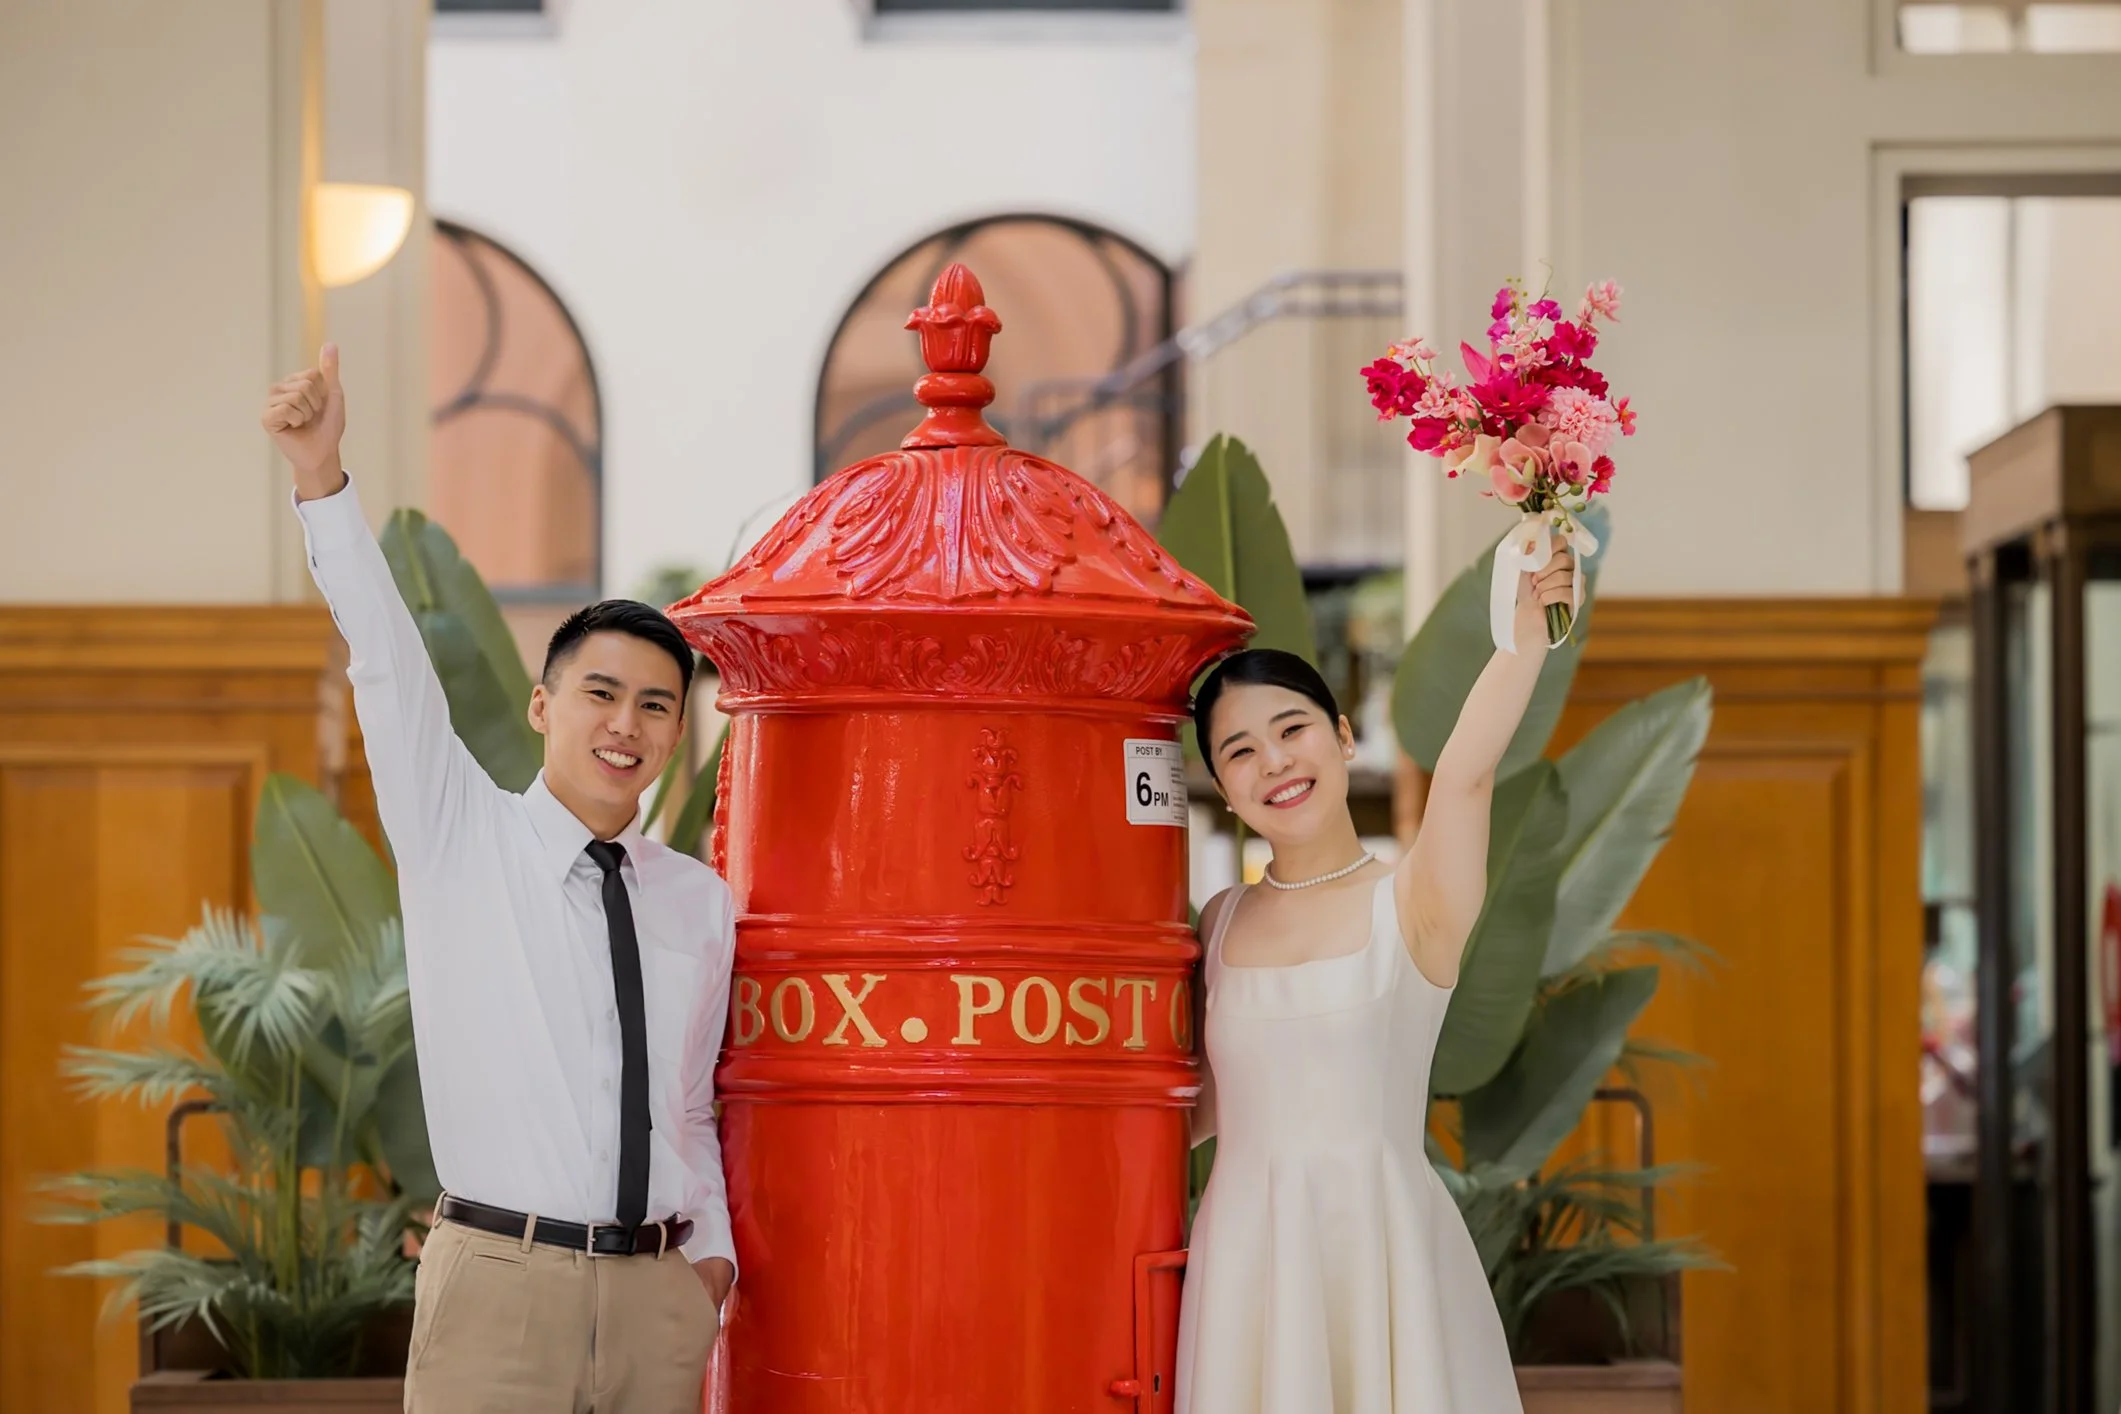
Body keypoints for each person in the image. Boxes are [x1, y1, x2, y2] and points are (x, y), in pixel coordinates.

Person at [262, 346, 736, 1413]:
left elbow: (692, 1107)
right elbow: (387, 661)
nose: (625, 724)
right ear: (542, 705)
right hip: (503, 1288)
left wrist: (710, 1255)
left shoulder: (695, 900)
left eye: (656, 705)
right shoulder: (458, 836)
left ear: (674, 731)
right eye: (600, 693)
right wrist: (321, 478)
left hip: (661, 1296)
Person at [1175, 551, 1577, 1414]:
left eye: (1293, 730)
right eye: (1239, 751)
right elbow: (1195, 1111)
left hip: (1381, 1250)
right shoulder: (1218, 923)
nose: (1274, 762)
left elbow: (1465, 777)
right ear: (1223, 789)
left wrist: (1524, 636)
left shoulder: (1414, 902)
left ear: (1344, 736)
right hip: (1247, 1265)